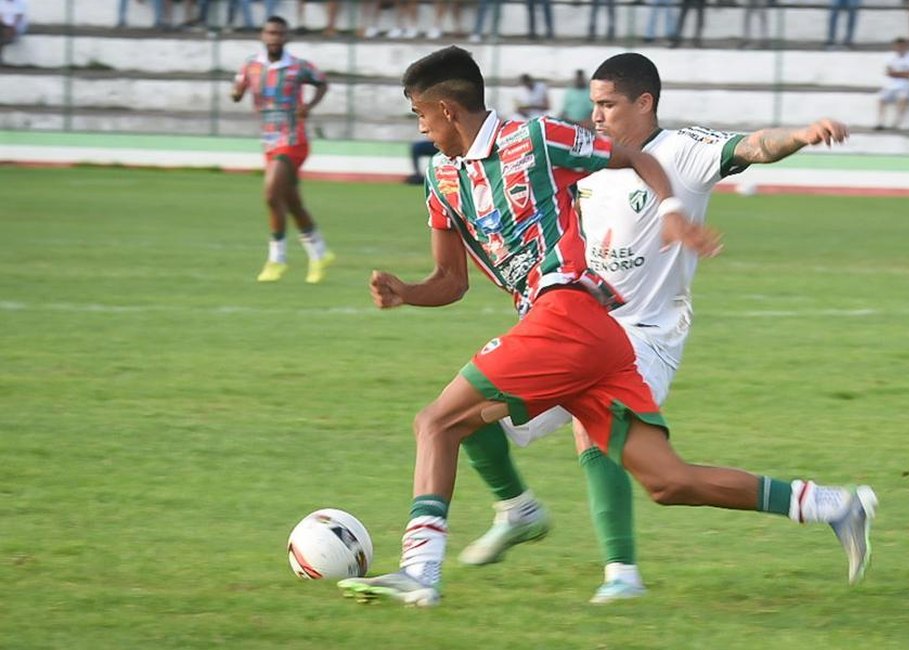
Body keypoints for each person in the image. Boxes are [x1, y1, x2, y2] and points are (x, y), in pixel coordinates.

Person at [335, 45, 877, 608]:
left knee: (437, 423)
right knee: (668, 482)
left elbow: (671, 155)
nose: (419, 126)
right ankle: (833, 504)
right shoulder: (442, 177)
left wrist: (676, 212)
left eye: (420, 114)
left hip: (572, 316)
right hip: (598, 332)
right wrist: (408, 293)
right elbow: (452, 280)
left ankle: (423, 570)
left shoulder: (536, 139)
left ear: (446, 109)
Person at [231, 16, 335, 284]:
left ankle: (276, 259)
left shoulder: (298, 66)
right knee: (291, 202)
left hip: (293, 139)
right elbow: (238, 87)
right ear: (263, 36)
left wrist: (309, 107)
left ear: (285, 37)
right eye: (269, 33)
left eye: (279, 33)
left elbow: (322, 82)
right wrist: (236, 92)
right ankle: (320, 253)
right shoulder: (252, 65)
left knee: (270, 194)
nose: (274, 37)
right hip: (268, 140)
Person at [876, 37, 909, 130]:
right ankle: (880, 122)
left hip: (905, 85)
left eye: (902, 46)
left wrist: (895, 73)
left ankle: (897, 122)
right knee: (881, 98)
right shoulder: (890, 57)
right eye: (898, 46)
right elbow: (888, 72)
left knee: (904, 98)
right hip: (891, 85)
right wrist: (901, 74)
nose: (900, 48)